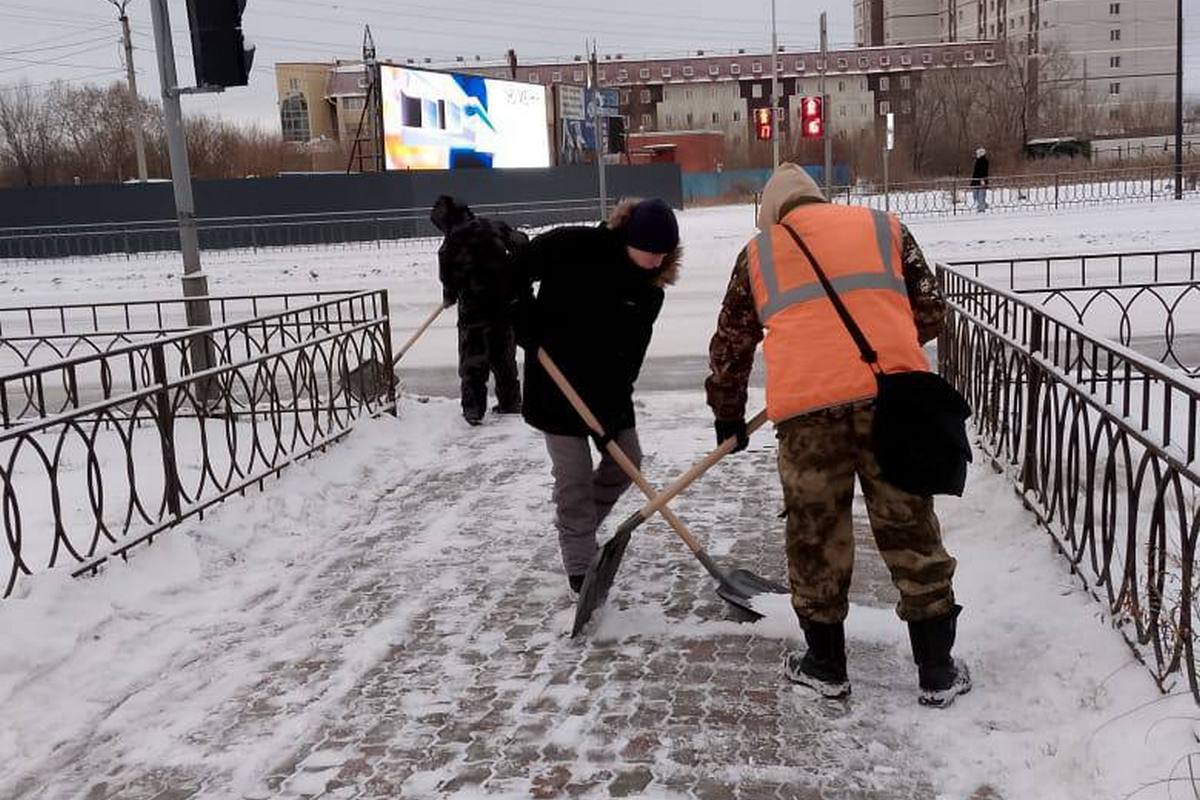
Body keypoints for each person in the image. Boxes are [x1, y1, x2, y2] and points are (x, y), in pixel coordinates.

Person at [705, 163, 971, 708]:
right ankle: (937, 670)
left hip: (807, 419)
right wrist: (883, 336)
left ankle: (825, 666)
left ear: (773, 216)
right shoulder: (884, 227)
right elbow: (930, 313)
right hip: (892, 405)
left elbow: (731, 345)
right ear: (819, 199)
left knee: (816, 538)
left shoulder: (758, 254)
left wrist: (728, 415)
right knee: (910, 530)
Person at [512, 198, 681, 594]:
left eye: (664, 254)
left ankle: (581, 526)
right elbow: (513, 269)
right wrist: (524, 317)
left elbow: (629, 361)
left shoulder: (649, 293)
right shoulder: (573, 246)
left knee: (628, 463)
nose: (657, 261)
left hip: (606, 394)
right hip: (555, 389)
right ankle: (580, 568)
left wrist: (613, 418)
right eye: (651, 251)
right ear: (628, 238)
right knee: (572, 481)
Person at [431, 195, 528, 426]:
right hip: (503, 305)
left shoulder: (450, 245)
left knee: (473, 360)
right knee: (504, 357)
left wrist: (449, 296)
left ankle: (473, 410)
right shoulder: (493, 226)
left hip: (473, 311)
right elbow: (522, 242)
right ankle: (510, 403)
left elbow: (448, 279)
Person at [970, 147, 989, 212]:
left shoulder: (984, 161)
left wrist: (982, 180)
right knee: (975, 195)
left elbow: (984, 171)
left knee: (981, 195)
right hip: (976, 180)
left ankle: (981, 208)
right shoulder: (977, 161)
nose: (976, 154)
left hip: (981, 180)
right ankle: (983, 205)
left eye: (978, 153)